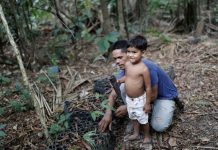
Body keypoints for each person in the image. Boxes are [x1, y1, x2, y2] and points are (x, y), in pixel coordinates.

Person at [98, 36, 179, 133]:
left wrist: (129, 108)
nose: (117, 62)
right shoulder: (125, 69)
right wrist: (108, 113)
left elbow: (153, 94)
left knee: (159, 126)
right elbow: (114, 93)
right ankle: (138, 113)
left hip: (163, 96)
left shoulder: (147, 67)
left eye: (120, 57)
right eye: (115, 59)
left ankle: (153, 110)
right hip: (145, 97)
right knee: (122, 86)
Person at [117, 35, 152, 142]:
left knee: (143, 120)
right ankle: (136, 133)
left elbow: (149, 87)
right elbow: (128, 76)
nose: (130, 55)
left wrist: (147, 103)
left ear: (143, 52)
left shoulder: (143, 69)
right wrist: (120, 80)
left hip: (140, 100)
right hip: (129, 99)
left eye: (134, 52)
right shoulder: (128, 64)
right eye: (128, 52)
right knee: (133, 118)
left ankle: (147, 136)